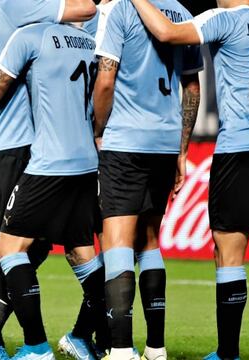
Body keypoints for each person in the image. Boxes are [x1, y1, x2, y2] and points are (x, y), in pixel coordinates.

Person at [127, 1, 249, 359]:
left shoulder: (225, 19)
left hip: (240, 152)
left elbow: (168, 32)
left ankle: (228, 353)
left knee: (228, 253)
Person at [0, 0, 99, 359]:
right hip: (23, 146)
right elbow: (87, 9)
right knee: (32, 248)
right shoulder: (24, 10)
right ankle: (21, 342)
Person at [90, 0, 202, 359]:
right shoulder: (183, 13)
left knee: (118, 243)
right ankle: (156, 348)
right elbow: (193, 88)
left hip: (124, 141)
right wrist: (181, 149)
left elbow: (106, 79)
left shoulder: (122, 10)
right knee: (151, 242)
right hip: (165, 143)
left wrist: (97, 129)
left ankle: (121, 349)